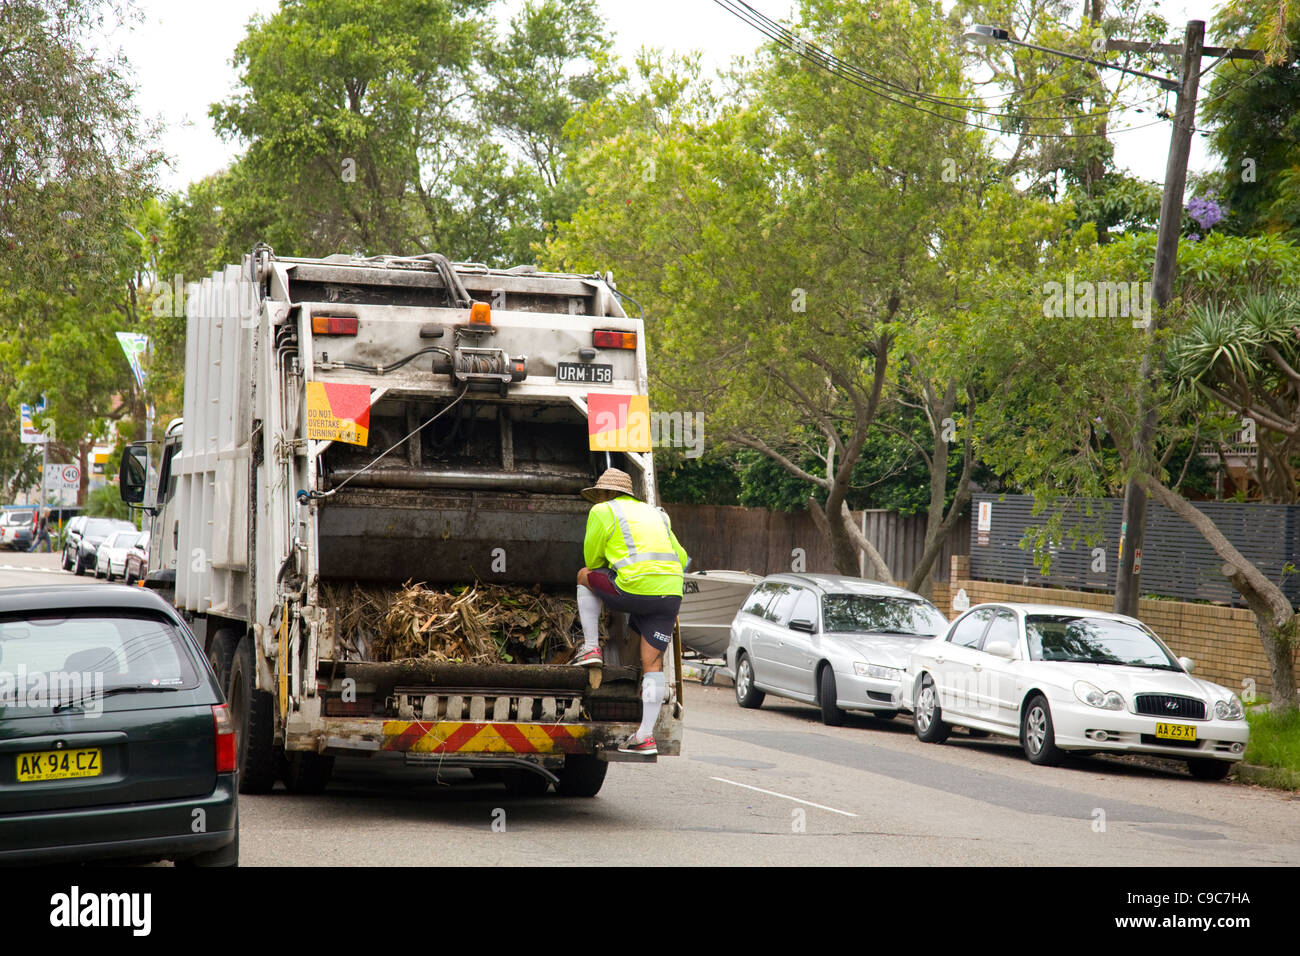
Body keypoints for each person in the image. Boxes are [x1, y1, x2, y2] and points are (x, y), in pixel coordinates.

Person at [573, 467, 688, 756]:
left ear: (609, 493)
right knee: (652, 663)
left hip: (632, 589)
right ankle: (645, 737)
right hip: (669, 594)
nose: (598, 499)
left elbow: (592, 558)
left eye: (600, 494)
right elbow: (683, 558)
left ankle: (590, 649)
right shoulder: (658, 514)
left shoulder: (603, 511)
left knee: (584, 574)